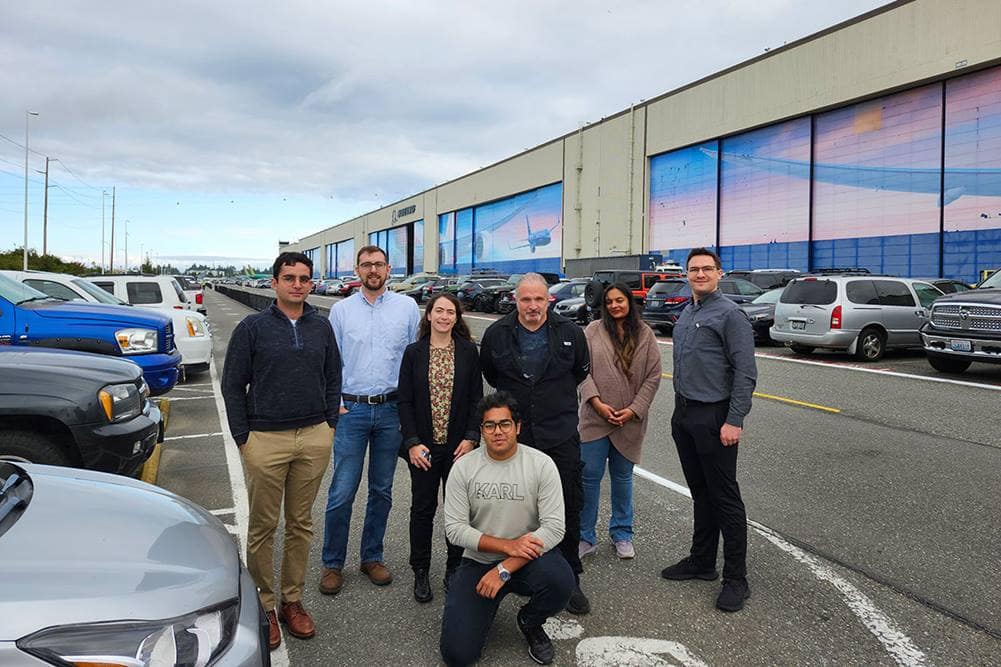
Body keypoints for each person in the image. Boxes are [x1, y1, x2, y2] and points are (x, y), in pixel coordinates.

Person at [221, 251, 341, 649]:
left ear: (311, 284)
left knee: (301, 523)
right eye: (288, 277)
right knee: (262, 527)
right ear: (274, 283)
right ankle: (264, 604)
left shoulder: (321, 328)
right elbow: (233, 385)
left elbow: (333, 375)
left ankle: (292, 600)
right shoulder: (252, 328)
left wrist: (328, 424)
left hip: (313, 437)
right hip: (265, 440)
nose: (296, 284)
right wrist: (243, 438)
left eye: (304, 278)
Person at [479, 273, 592, 615]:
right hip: (516, 440)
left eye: (538, 300)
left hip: (559, 437)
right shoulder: (497, 334)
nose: (532, 306)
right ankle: (513, 570)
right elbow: (493, 376)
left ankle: (570, 575)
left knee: (568, 505)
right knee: (515, 507)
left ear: (549, 300)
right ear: (516, 300)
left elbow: (580, 372)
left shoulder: (570, 333)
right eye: (525, 300)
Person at [440, 392, 574, 667]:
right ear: (481, 430)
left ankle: (530, 621)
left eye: (505, 424)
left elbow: (554, 527)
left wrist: (505, 567)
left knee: (561, 582)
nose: (497, 432)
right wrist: (505, 546)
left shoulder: (541, 464)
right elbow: (454, 530)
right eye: (490, 425)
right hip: (479, 561)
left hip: (527, 558)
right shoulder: (464, 468)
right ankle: (480, 611)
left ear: (518, 427)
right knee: (457, 656)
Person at [660, 247, 757, 612]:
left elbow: (745, 372)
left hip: (715, 417)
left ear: (719, 272)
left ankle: (737, 579)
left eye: (706, 269)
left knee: (725, 498)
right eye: (693, 269)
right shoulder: (688, 311)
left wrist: (734, 420)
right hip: (685, 415)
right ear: (686, 274)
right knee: (700, 492)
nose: (699, 274)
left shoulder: (730, 315)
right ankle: (702, 562)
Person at [319, 245, 420, 595]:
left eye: (378, 264)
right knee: (342, 490)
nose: (373, 270)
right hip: (352, 410)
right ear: (357, 270)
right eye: (366, 265)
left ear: (388, 269)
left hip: (392, 410)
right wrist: (335, 404)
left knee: (382, 490)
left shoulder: (407, 308)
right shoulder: (341, 311)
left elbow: (413, 361)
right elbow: (330, 363)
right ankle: (332, 563)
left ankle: (371, 556)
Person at [397, 292, 483, 603]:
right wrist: (412, 443)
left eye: (451, 312)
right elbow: (404, 401)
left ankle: (454, 567)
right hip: (424, 448)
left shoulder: (468, 352)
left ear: (457, 318)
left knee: (457, 511)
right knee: (422, 509)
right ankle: (420, 570)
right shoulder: (414, 353)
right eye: (439, 311)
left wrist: (472, 437)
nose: (445, 317)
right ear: (429, 316)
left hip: (459, 447)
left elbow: (477, 398)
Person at [578, 283, 662, 560]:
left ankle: (622, 534)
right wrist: (597, 403)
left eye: (620, 300)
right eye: (610, 301)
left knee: (623, 478)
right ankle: (585, 536)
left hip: (630, 421)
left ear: (629, 301)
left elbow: (653, 376)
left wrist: (634, 409)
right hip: (595, 418)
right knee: (589, 479)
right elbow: (581, 371)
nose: (615, 305)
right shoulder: (592, 331)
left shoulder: (645, 334)